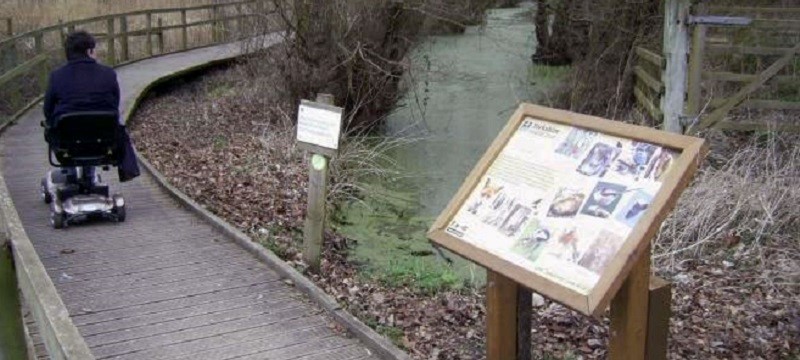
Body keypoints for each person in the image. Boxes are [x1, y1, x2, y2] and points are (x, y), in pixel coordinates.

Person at [43, 30, 139, 183]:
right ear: (89, 51)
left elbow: (47, 110)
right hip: (102, 137)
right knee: (106, 127)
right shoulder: (108, 74)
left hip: (68, 137)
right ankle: (90, 173)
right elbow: (114, 104)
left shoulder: (57, 76)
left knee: (55, 130)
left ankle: (70, 171)